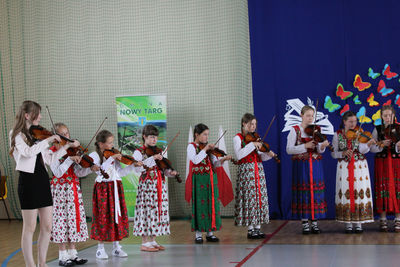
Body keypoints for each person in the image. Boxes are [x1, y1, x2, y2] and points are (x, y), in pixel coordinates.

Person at [9, 100, 73, 267]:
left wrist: (65, 148)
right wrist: (48, 140)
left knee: (47, 226)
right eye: (37, 113)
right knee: (29, 227)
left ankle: (42, 263)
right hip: (28, 182)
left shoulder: (38, 135)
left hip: (43, 180)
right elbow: (28, 152)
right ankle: (31, 265)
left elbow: (49, 159)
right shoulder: (16, 135)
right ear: (27, 115)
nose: (41, 116)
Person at [89, 129, 142, 259]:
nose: (112, 146)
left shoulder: (113, 154)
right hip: (103, 188)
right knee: (102, 216)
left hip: (115, 187)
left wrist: (132, 166)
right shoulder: (95, 156)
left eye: (112, 143)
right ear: (101, 144)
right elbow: (100, 171)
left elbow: (120, 172)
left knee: (116, 216)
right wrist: (110, 158)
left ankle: (116, 247)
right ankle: (100, 249)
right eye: (109, 143)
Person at [49, 123, 97, 266]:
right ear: (55, 137)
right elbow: (57, 172)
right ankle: (62, 257)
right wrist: (69, 159)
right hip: (59, 191)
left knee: (73, 220)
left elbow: (79, 172)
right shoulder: (51, 153)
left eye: (67, 133)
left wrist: (90, 169)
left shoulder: (73, 151)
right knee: (61, 221)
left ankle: (73, 254)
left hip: (73, 189)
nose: (66, 137)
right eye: (63, 134)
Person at [132, 125, 178, 252]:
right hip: (147, 186)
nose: (154, 140)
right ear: (144, 137)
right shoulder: (138, 152)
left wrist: (171, 173)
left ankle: (152, 240)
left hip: (159, 185)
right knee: (146, 212)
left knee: (156, 211)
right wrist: (152, 158)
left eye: (156, 137)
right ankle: (144, 242)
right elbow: (138, 169)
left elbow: (162, 169)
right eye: (151, 137)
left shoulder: (158, 151)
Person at [185, 123, 232, 243]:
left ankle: (210, 233)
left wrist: (223, 159)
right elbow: (195, 160)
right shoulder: (191, 146)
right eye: (204, 134)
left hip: (210, 179)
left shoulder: (209, 149)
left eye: (208, 134)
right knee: (200, 206)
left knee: (211, 204)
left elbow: (215, 164)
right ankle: (198, 234)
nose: (206, 137)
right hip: (199, 180)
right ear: (197, 135)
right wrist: (205, 149)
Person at [286, 105, 330, 234]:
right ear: (301, 115)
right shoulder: (295, 130)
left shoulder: (317, 130)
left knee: (315, 192)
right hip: (301, 165)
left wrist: (323, 146)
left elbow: (320, 150)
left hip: (315, 165)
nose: (310, 118)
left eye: (312, 116)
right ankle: (305, 222)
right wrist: (305, 146)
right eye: (308, 116)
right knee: (304, 192)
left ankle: (315, 222)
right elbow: (289, 149)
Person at [331, 111, 375, 233]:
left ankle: (359, 222)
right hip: (344, 167)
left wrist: (368, 144)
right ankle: (348, 223)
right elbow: (333, 153)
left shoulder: (360, 133)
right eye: (350, 121)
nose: (353, 124)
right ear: (344, 122)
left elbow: (363, 150)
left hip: (359, 167)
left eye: (355, 121)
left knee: (359, 191)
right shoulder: (337, 135)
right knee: (345, 191)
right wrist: (342, 153)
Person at [233, 113, 276, 239]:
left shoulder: (256, 138)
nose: (253, 127)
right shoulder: (238, 138)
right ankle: (250, 229)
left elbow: (260, 156)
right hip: (246, 171)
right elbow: (239, 155)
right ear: (244, 124)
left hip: (258, 170)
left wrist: (268, 154)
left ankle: (257, 228)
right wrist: (252, 145)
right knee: (249, 198)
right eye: (251, 124)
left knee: (259, 198)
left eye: (255, 124)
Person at [370, 105, 400, 232]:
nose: (388, 118)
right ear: (381, 116)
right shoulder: (377, 129)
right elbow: (371, 148)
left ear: (394, 116)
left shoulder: (399, 128)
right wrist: (381, 145)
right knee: (382, 188)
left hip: (396, 162)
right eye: (385, 115)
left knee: (398, 189)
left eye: (390, 115)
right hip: (381, 163)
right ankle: (383, 219)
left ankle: (398, 218)